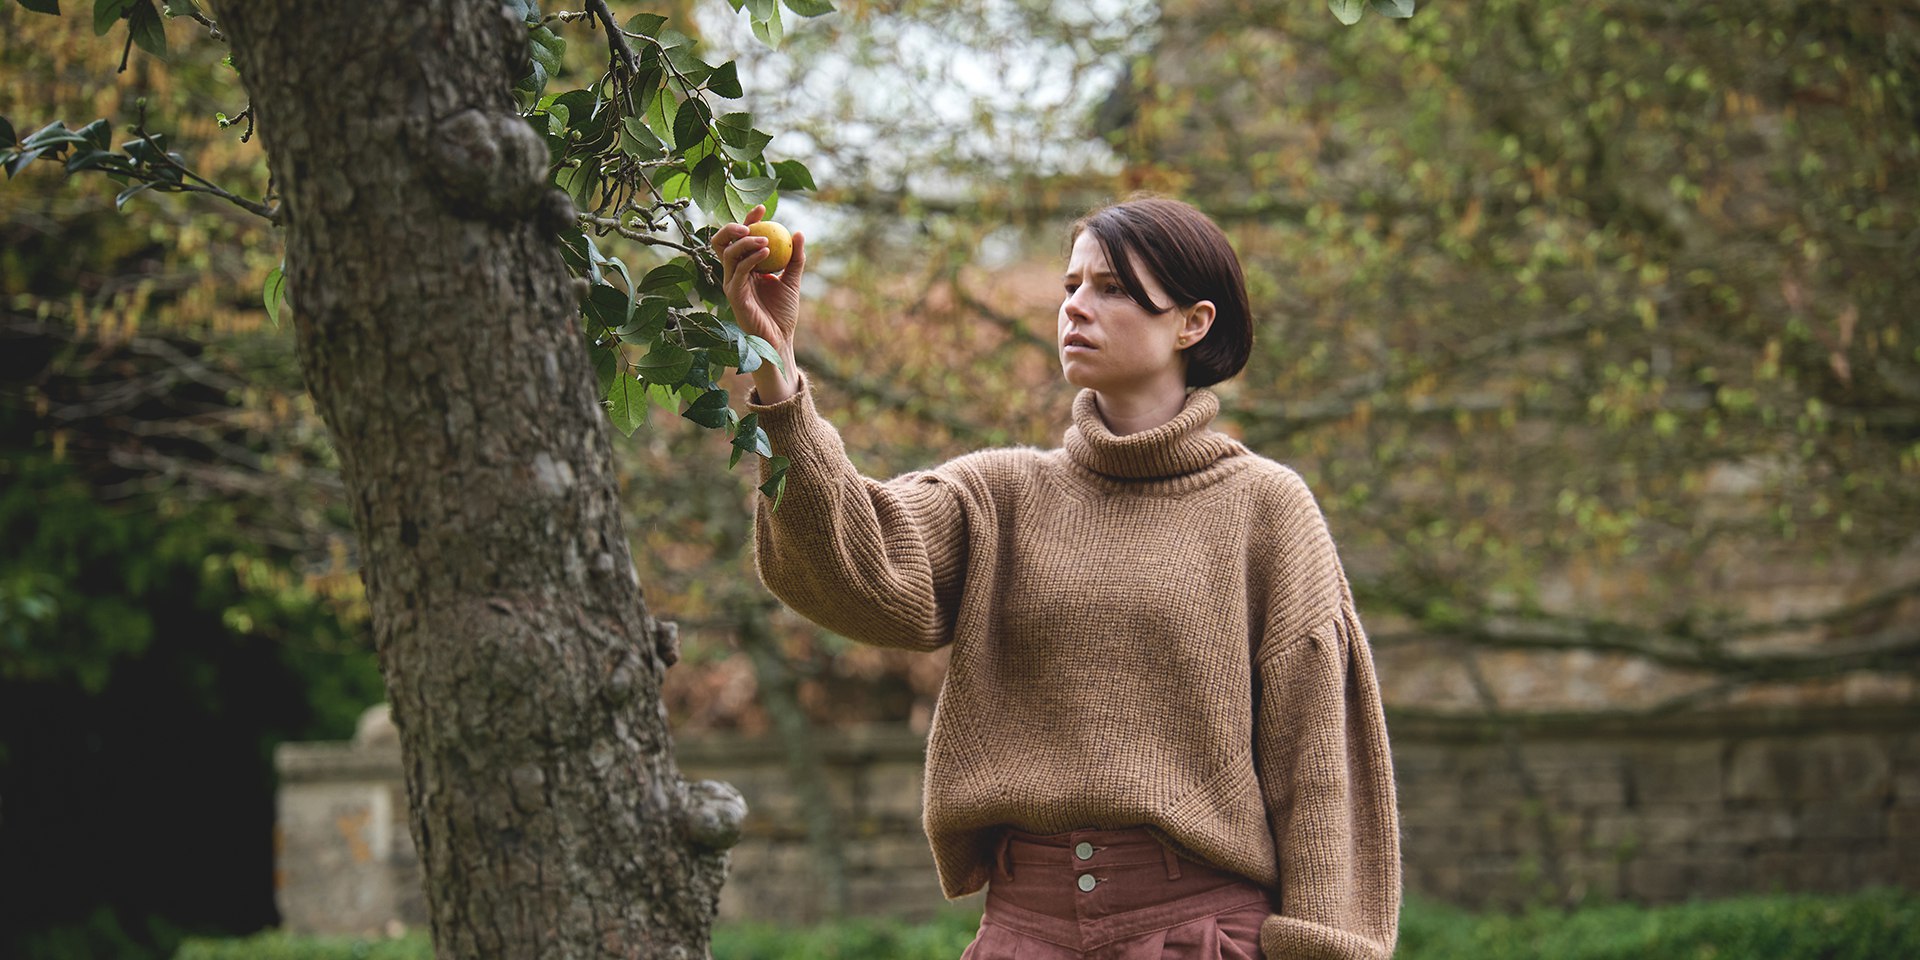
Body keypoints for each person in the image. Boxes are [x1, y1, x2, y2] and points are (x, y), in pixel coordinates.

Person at [711, 196, 1400, 960]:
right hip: (1023, 936)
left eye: (1110, 288)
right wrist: (776, 370)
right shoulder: (1000, 495)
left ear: (1192, 323)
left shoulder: (1266, 509)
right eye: (1071, 286)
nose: (1076, 307)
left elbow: (1322, 772)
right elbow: (850, 565)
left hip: (1201, 936)